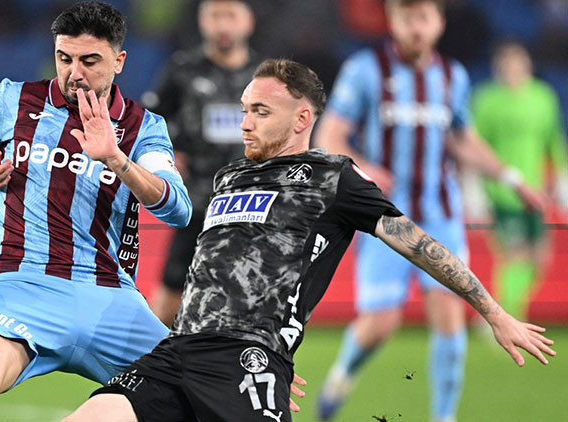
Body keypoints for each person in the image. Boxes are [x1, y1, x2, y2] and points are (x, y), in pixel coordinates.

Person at [61, 58, 554, 422]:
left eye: (260, 111)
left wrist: (493, 312)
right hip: (178, 353)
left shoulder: (334, 178)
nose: (245, 122)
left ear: (301, 119)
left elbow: (419, 244)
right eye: (244, 109)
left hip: (242, 361)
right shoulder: (229, 177)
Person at [0, 3, 192, 421]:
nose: (74, 73)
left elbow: (178, 208)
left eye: (89, 61)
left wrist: (116, 159)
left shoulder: (143, 127)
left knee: (204, 387)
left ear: (119, 61)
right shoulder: (14, 100)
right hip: (18, 285)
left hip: (109, 297)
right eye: (64, 58)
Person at [311, 1, 547, 421]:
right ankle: (340, 379)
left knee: (450, 318)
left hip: (441, 215)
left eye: (423, 17)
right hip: (384, 218)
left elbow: (462, 138)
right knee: (379, 325)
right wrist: (363, 168)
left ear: (438, 22)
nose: (415, 27)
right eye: (406, 18)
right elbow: (330, 135)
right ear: (393, 21)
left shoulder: (452, 76)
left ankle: (443, 417)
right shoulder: (366, 70)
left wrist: (511, 178)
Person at [142, 0, 259, 326]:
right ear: (201, 20)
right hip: (196, 205)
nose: (222, 25)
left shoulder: (265, 76)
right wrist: (167, 153)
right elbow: (148, 124)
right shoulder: (182, 70)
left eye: (231, 15)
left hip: (252, 205)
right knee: (169, 300)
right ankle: (152, 357)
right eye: (214, 16)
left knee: (249, 302)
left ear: (248, 21)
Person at [471, 41, 568, 321]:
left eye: (517, 64)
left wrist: (561, 178)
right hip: (501, 191)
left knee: (540, 258)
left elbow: (553, 140)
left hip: (535, 191)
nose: (512, 70)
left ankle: (497, 311)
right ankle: (505, 317)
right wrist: (475, 188)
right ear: (497, 69)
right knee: (514, 254)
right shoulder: (487, 100)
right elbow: (475, 144)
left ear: (528, 66)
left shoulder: (543, 97)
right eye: (507, 65)